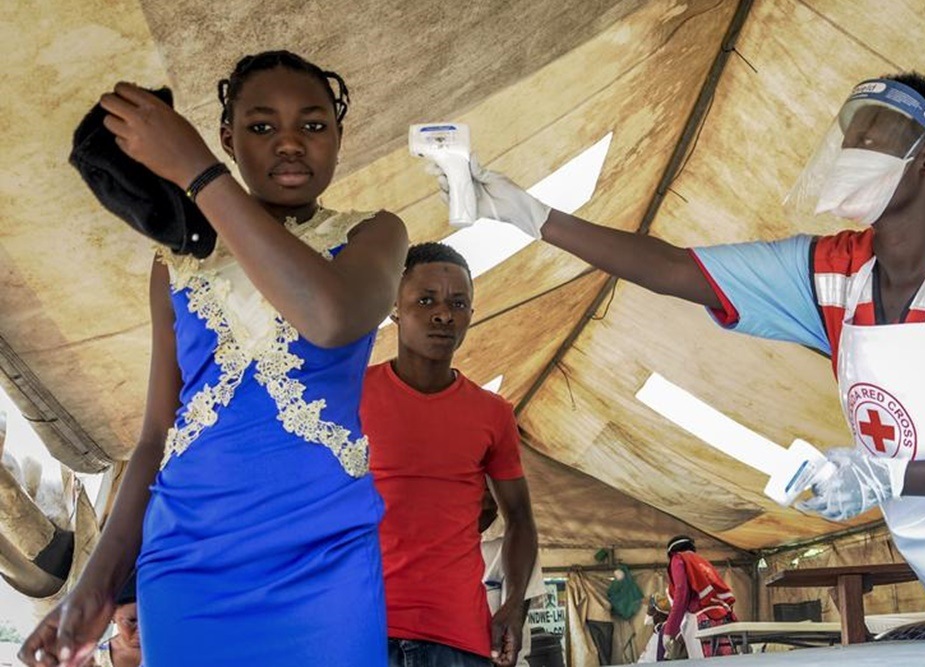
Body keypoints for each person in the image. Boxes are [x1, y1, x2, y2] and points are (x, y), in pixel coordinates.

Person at [435, 72, 925, 639]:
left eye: (870, 133)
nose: (847, 148)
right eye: (850, 132)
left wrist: (887, 473)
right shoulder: (834, 272)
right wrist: (530, 215)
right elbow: (677, 268)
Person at [21, 50, 408, 667]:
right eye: (260, 127)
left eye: (312, 125)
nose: (289, 144)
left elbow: (332, 318)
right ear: (229, 137)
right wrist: (95, 583)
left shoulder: (374, 235)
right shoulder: (174, 262)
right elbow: (153, 436)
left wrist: (197, 173)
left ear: (338, 138)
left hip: (323, 556)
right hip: (187, 562)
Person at [360, 242, 539, 667]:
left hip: (460, 640)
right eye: (426, 300)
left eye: (458, 303)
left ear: (471, 316)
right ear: (394, 309)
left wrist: (514, 605)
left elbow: (520, 519)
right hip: (361, 628)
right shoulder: (350, 396)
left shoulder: (493, 414)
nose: (444, 314)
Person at [479, 487, 547, 667]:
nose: (484, 492)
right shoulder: (447, 543)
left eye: (490, 485)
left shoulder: (519, 542)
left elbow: (516, 615)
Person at [659, 536, 736, 659]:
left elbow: (681, 595)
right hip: (723, 619)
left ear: (671, 552)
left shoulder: (678, 558)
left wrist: (669, 630)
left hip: (700, 619)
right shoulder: (703, 562)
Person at [87, 574, 139, 667]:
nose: (143, 630)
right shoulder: (96, 659)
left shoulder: (167, 650)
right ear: (111, 615)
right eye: (132, 621)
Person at [636, 593, 671, 663]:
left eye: (651, 611)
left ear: (658, 614)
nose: (649, 614)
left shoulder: (665, 631)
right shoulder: (657, 631)